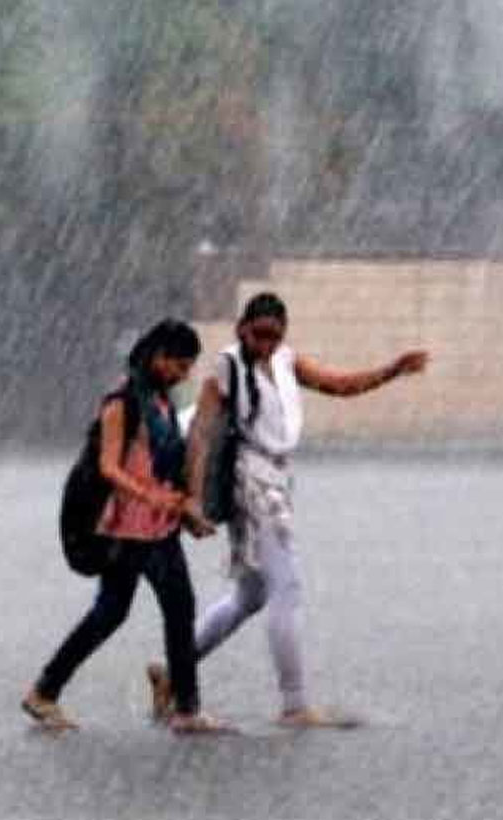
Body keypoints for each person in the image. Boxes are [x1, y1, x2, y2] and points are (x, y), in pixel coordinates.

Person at [147, 292, 429, 728]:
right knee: (287, 586)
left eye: (274, 337)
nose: (265, 345)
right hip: (251, 482)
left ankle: (173, 671)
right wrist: (193, 499)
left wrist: (392, 370)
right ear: (243, 328)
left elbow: (339, 385)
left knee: (252, 594)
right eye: (258, 335)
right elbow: (201, 434)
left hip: (277, 477)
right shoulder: (227, 368)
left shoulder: (284, 361)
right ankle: (294, 704)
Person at [22, 319, 228, 734]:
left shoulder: (160, 400)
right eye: (179, 365)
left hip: (156, 526)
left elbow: (166, 463)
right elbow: (109, 467)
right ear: (157, 357)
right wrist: (150, 497)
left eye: (189, 367)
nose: (184, 374)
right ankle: (186, 709)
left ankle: (45, 691)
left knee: (121, 612)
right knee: (166, 608)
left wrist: (185, 509)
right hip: (125, 528)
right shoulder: (122, 400)